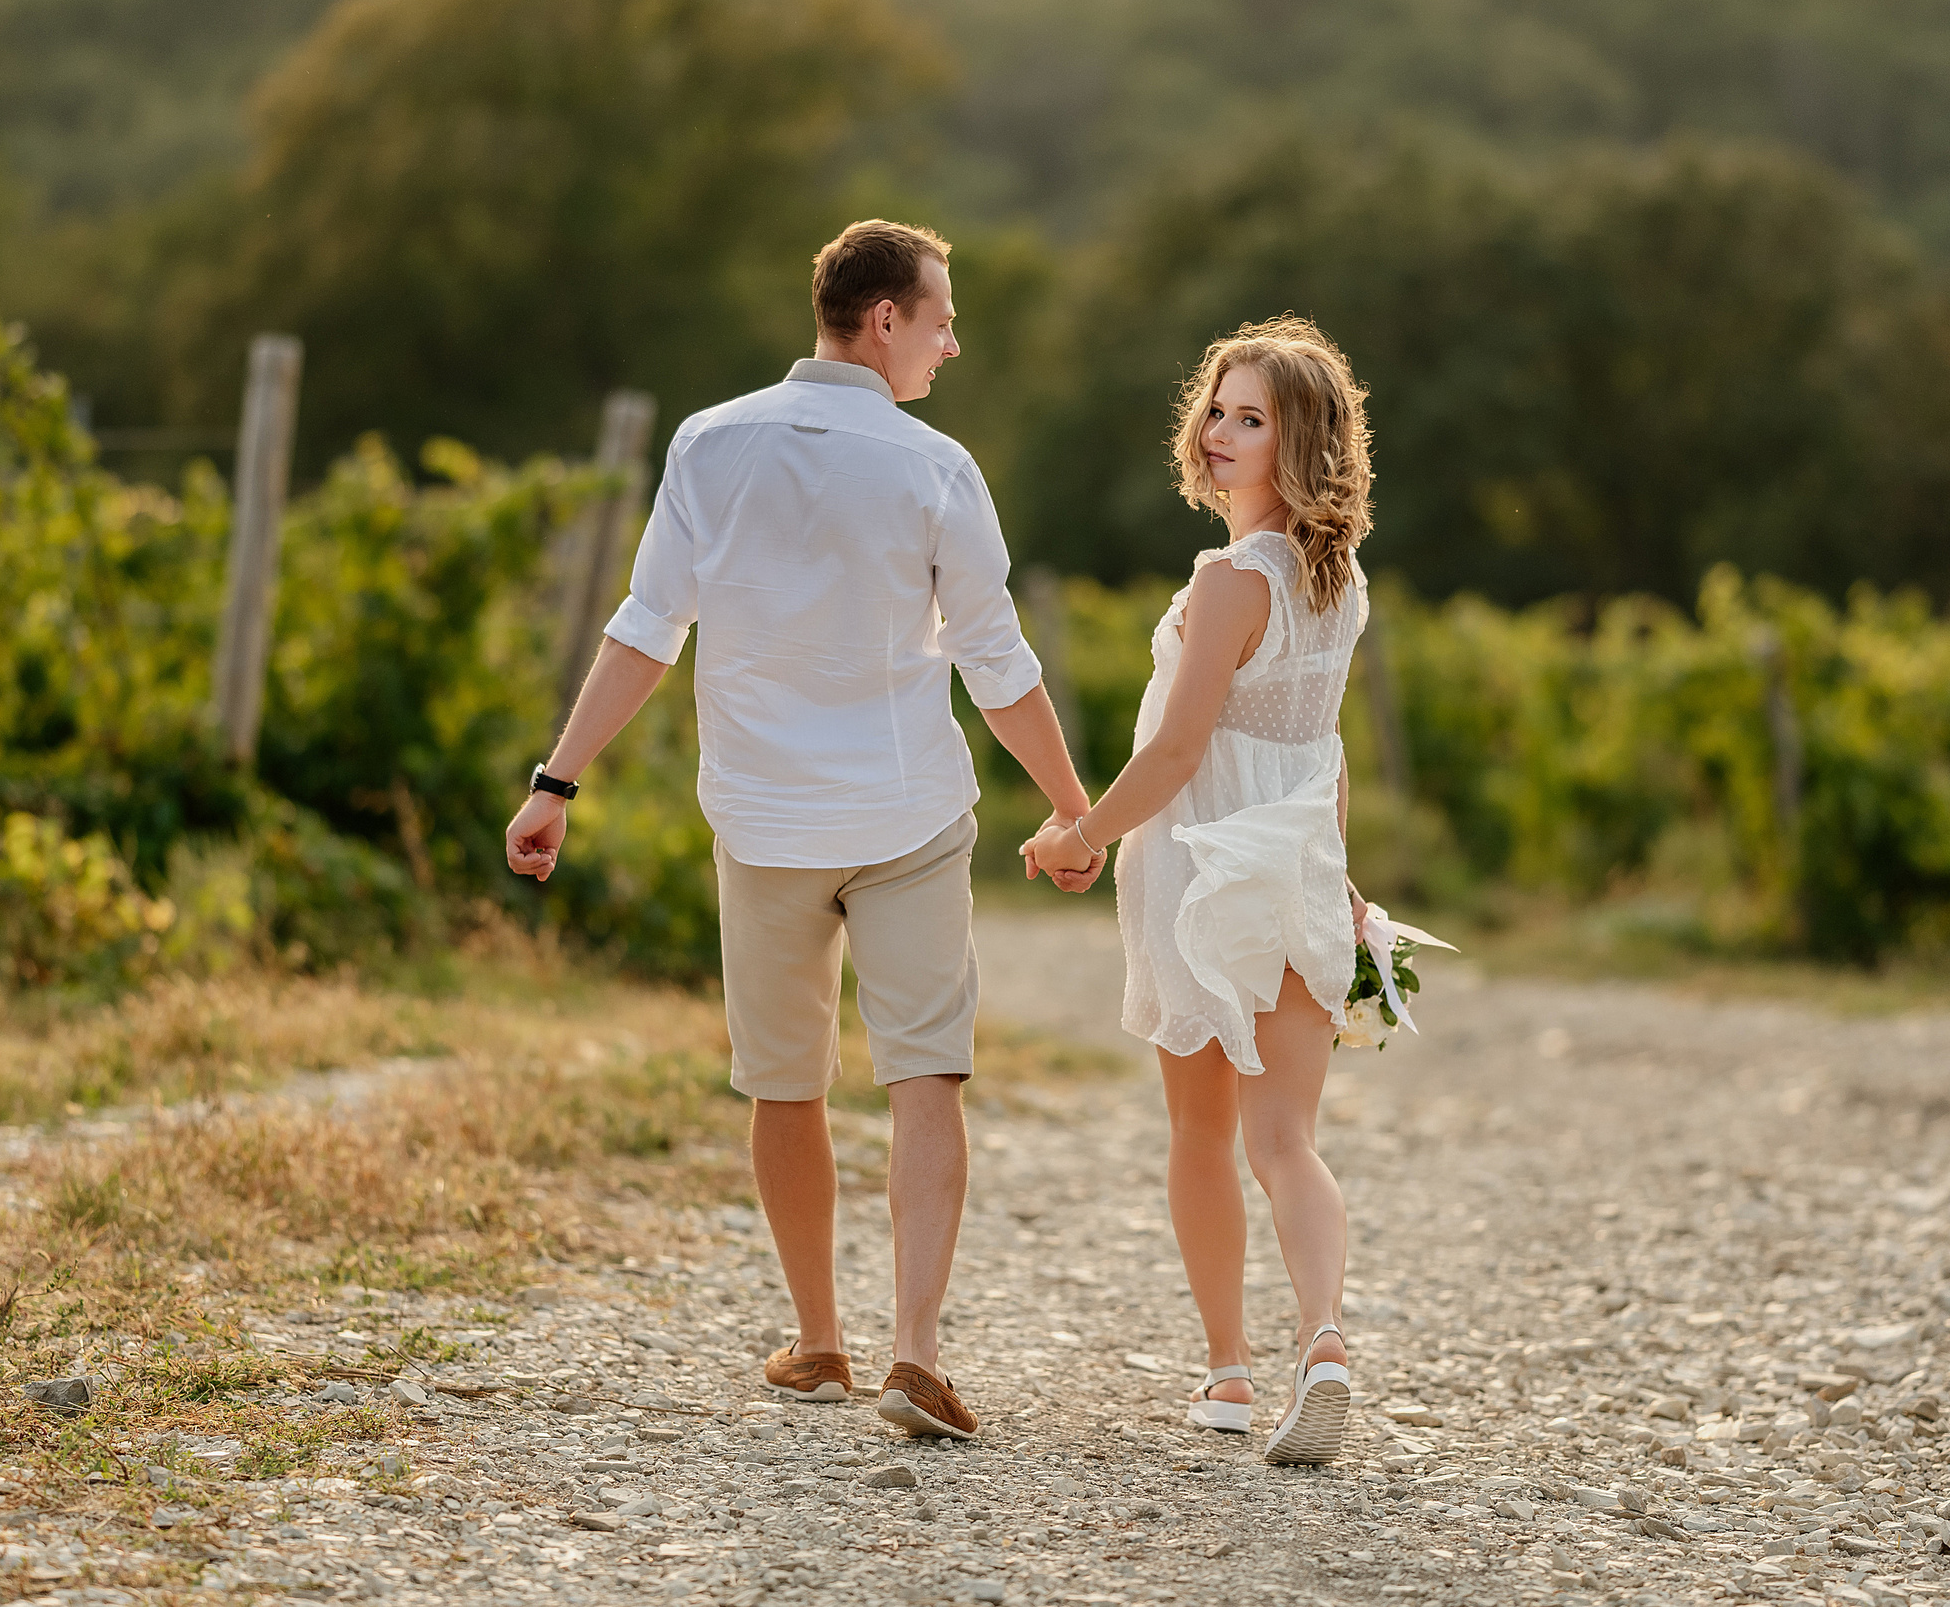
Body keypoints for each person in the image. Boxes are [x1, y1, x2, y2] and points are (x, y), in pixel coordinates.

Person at [506, 219, 1102, 1441]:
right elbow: (994, 659)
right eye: (939, 319)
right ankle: (915, 1356)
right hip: (907, 815)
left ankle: (819, 1341)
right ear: (882, 319)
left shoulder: (707, 444)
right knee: (924, 1072)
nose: (950, 342)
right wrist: (1073, 805)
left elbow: (646, 626)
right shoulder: (937, 466)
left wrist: (554, 785)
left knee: (787, 1086)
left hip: (764, 818)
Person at [1023, 317, 1375, 1466]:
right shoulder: (1343, 584)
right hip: (1294, 868)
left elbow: (1177, 754)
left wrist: (1078, 833)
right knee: (1289, 1139)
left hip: (1200, 873)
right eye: (1217, 409)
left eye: (1250, 418)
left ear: (1299, 441)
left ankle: (1229, 1371)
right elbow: (1317, 755)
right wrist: (1344, 887)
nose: (1219, 432)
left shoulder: (1234, 579)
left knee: (1200, 1130)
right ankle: (1319, 1340)